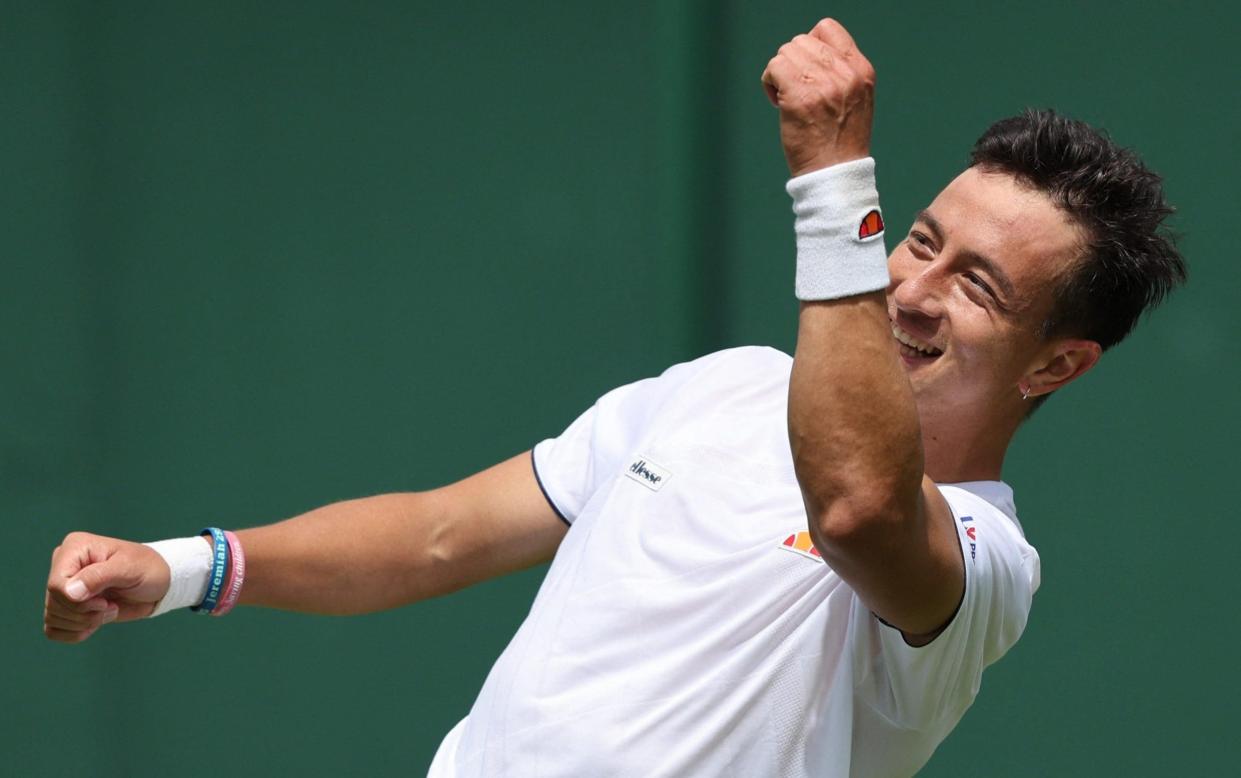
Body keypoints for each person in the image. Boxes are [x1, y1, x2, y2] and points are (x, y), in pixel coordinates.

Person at [43, 18, 1184, 777]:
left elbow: (856, 506)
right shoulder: (719, 389)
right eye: (916, 242)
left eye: (973, 284)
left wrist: (835, 184)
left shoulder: (984, 559)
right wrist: (183, 567)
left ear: (1054, 365)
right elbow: (437, 537)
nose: (911, 289)